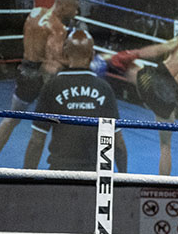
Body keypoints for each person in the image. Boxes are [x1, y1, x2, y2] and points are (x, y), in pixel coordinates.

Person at [108, 21, 178, 175]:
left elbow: (157, 50)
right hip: (167, 98)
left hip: (150, 82)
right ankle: (162, 186)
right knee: (165, 146)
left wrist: (134, 53)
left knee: (117, 61)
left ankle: (92, 65)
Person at [0, 0, 79, 167]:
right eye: (74, 9)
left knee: (11, 119)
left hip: (25, 71)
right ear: (64, 6)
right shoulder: (57, 27)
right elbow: (52, 63)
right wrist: (80, 59)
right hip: (43, 79)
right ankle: (43, 170)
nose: (76, 13)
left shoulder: (35, 12)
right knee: (52, 126)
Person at [23, 28, 128, 172]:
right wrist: (124, 177)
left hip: (60, 172)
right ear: (92, 55)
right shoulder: (104, 88)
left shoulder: (53, 86)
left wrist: (26, 178)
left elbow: (37, 139)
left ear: (65, 53)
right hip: (93, 175)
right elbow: (118, 142)